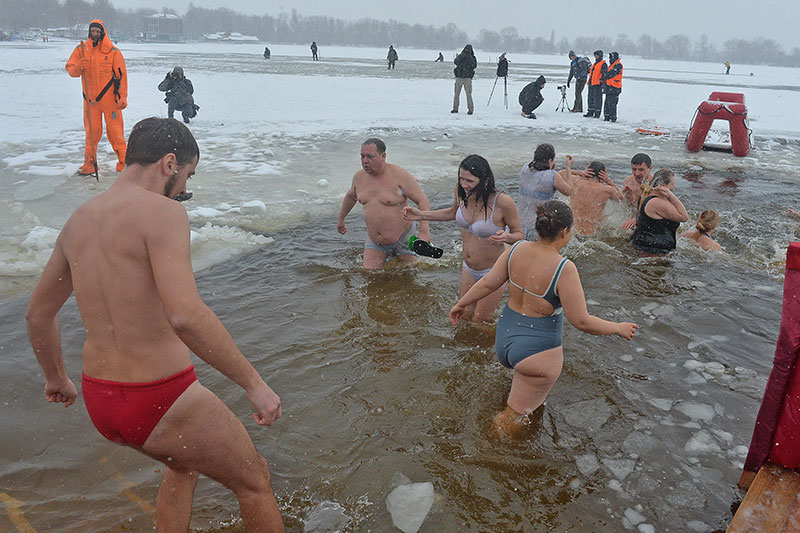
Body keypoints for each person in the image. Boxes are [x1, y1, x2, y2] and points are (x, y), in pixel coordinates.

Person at [25, 118, 284, 531]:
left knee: (183, 465)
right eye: (187, 176)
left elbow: (38, 314)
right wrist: (255, 385)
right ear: (169, 163)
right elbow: (185, 316)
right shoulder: (163, 214)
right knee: (254, 481)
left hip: (101, 400)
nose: (183, 190)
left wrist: (56, 378)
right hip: (160, 396)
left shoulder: (79, 220)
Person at [449, 200, 638, 437]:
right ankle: (487, 450)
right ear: (564, 231)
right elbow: (581, 321)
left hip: (505, 339)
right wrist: (617, 328)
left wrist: (461, 303)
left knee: (517, 393)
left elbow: (488, 283)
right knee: (514, 416)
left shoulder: (516, 249)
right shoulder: (564, 268)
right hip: (535, 350)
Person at [403, 155, 524, 322]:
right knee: (463, 316)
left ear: (485, 181)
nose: (464, 184)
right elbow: (452, 213)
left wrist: (507, 237)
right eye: (461, 179)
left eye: (470, 181)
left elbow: (519, 235)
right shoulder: (461, 192)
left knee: (480, 321)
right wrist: (421, 215)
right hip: (468, 268)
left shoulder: (503, 202)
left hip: (493, 271)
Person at [337, 138, 432, 269]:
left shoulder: (399, 175)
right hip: (375, 241)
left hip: (403, 238)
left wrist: (424, 231)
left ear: (383, 156)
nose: (365, 161)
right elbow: (351, 197)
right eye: (362, 156)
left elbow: (422, 201)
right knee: (370, 275)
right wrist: (341, 219)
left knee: (411, 273)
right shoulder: (359, 177)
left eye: (370, 157)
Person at [65, 19, 127, 175]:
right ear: (89, 32)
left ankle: (124, 163)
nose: (95, 34)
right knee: (92, 134)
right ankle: (90, 163)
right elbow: (71, 70)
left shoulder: (113, 52)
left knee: (116, 133)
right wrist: (80, 65)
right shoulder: (81, 50)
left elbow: (121, 77)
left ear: (103, 33)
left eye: (98, 31)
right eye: (93, 31)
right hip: (90, 102)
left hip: (110, 101)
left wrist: (122, 98)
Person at [518, 143, 576, 240]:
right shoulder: (552, 175)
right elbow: (569, 191)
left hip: (519, 226)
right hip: (537, 229)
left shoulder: (525, 168)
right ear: (550, 160)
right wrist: (568, 168)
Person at [631, 169, 689, 254]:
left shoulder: (645, 194)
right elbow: (684, 217)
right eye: (672, 184)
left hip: (644, 245)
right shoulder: (657, 202)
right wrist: (671, 195)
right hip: (653, 251)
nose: (673, 187)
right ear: (663, 186)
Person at [569, 161, 623, 235]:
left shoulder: (576, 182)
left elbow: (562, 173)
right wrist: (608, 181)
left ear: (587, 169)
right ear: (604, 173)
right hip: (591, 234)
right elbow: (621, 197)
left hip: (572, 231)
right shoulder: (607, 190)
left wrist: (580, 173)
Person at [621, 153, 653, 229]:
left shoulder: (654, 185)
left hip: (649, 223)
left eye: (641, 170)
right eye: (634, 169)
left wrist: (637, 219)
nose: (637, 173)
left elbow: (657, 210)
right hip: (631, 221)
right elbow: (624, 206)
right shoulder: (628, 181)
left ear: (650, 168)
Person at [451, 44, 477, 115]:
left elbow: (474, 66)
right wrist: (461, 56)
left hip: (467, 78)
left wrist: (469, 57)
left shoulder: (472, 57)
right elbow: (456, 62)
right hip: (459, 76)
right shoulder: (461, 56)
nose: (467, 51)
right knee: (456, 94)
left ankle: (470, 109)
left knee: (468, 94)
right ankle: (455, 108)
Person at [584, 50, 607, 118]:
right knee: (590, 99)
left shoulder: (603, 64)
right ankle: (590, 111)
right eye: (595, 55)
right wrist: (589, 82)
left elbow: (604, 74)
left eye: (597, 55)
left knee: (597, 100)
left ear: (600, 56)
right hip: (592, 83)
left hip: (598, 84)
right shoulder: (595, 64)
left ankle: (597, 113)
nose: (596, 56)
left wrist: (601, 82)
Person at [602, 52, 623, 122]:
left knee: (612, 103)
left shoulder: (618, 65)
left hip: (615, 87)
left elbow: (610, 74)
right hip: (609, 86)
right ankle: (607, 116)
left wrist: (605, 75)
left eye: (611, 57)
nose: (610, 59)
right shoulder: (612, 65)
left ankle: (613, 117)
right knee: (607, 102)